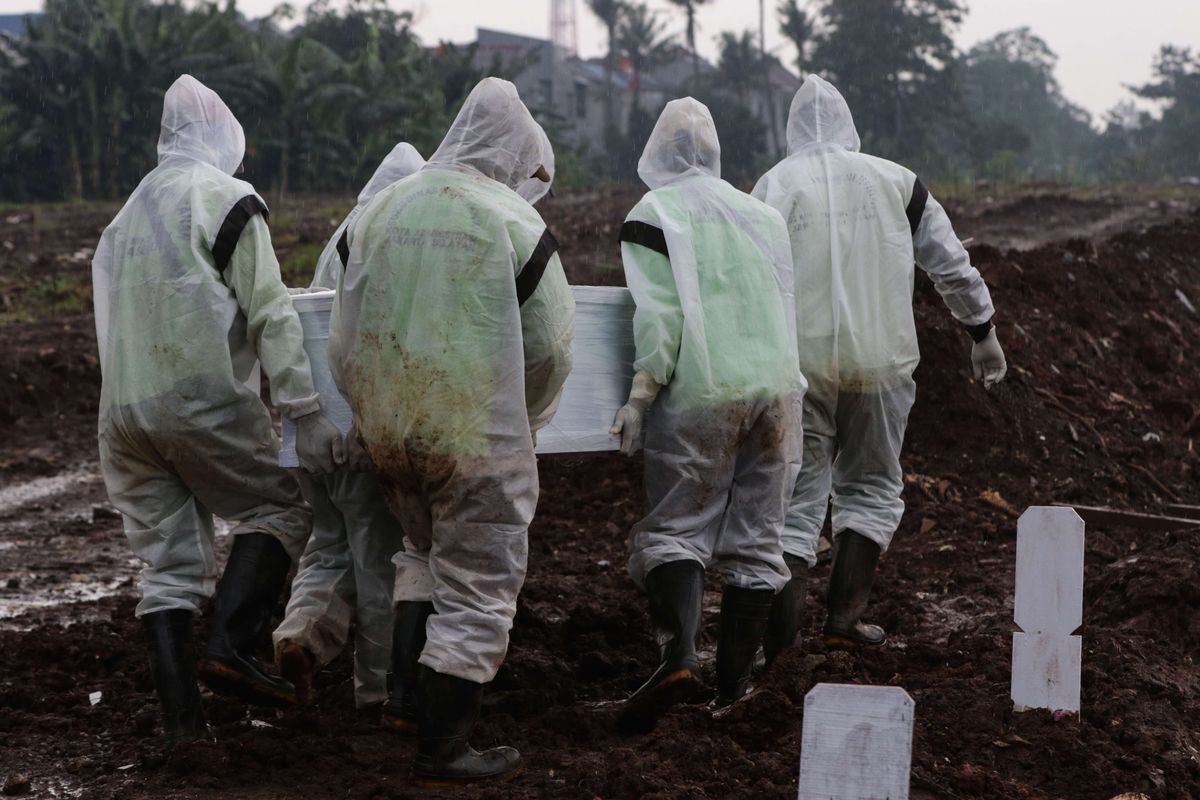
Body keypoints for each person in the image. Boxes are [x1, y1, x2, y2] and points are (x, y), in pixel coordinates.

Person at [329, 77, 574, 782]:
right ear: (518, 152)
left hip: (388, 429)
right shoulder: (513, 222)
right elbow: (552, 347)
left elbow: (343, 340)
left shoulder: (377, 213)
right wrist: (523, 418)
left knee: (420, 552)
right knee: (478, 583)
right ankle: (443, 745)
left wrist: (370, 408)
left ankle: (404, 698)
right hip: (476, 435)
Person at [92, 75, 344, 746]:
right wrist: (303, 407)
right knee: (283, 502)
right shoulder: (226, 198)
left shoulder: (124, 220)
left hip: (124, 412)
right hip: (196, 397)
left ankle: (184, 729)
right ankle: (231, 646)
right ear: (219, 135)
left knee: (169, 566)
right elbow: (268, 309)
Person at [751, 75, 1007, 659]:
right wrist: (981, 330)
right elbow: (949, 263)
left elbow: (749, 277)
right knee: (870, 487)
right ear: (849, 124)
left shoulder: (773, 186)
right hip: (882, 363)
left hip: (798, 366)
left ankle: (781, 644)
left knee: (795, 502)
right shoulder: (898, 182)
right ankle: (843, 619)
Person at [610, 98, 806, 730]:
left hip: (701, 392)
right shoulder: (762, 215)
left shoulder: (654, 212)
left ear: (656, 151)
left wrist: (641, 396)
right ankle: (732, 690)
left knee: (675, 529)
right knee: (757, 543)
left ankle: (678, 659)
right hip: (776, 391)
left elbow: (660, 314)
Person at [273, 142, 426, 711]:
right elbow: (380, 341)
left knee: (328, 548)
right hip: (359, 429)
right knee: (381, 563)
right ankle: (378, 690)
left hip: (313, 429)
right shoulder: (393, 238)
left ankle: (300, 638)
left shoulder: (342, 235)